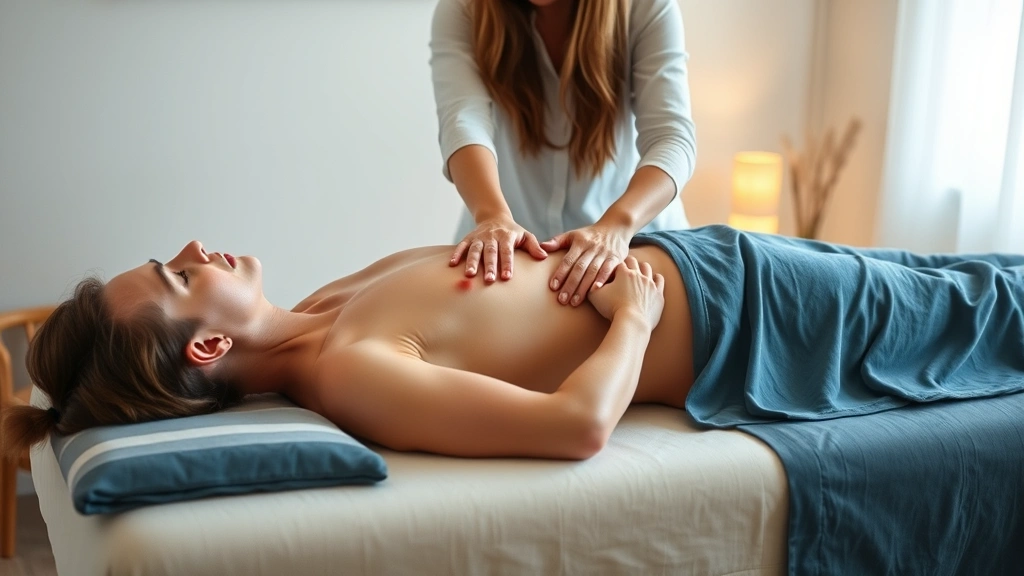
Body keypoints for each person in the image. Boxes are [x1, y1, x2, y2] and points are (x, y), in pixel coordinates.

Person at [4, 226, 1024, 462]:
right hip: (752, 320)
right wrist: (633, 318)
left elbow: (496, 276)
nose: (192, 247)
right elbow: (575, 427)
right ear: (205, 354)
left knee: (977, 278)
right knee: (991, 316)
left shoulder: (324, 305)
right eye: (183, 278)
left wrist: (543, 234)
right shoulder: (347, 370)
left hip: (709, 253)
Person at [430, 0, 696, 308]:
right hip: (508, 248)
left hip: (637, 244)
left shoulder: (647, 7)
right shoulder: (463, 9)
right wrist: (491, 215)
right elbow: (463, 120)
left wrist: (617, 226)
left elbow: (671, 136)